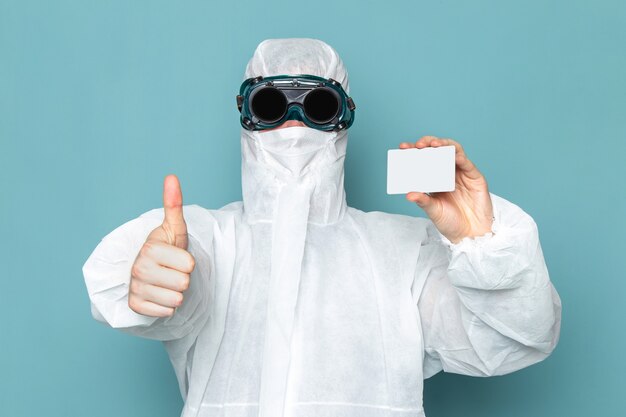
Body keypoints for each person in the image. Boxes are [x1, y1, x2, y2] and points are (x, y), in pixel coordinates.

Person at [83, 38, 562, 417]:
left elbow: (516, 340)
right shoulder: (208, 239)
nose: (293, 125)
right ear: (246, 117)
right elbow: (181, 286)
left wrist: (482, 244)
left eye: (318, 105)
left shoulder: (404, 252)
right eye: (270, 104)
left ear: (345, 117)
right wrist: (152, 282)